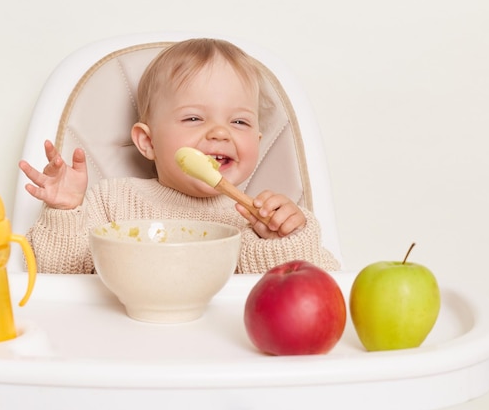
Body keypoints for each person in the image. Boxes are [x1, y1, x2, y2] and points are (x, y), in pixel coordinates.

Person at [19, 38, 340, 274]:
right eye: (194, 119)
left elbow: (323, 282)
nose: (220, 133)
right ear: (147, 142)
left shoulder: (255, 219)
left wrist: (282, 240)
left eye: (239, 122)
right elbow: (57, 275)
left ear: (257, 140)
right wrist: (65, 211)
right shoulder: (109, 202)